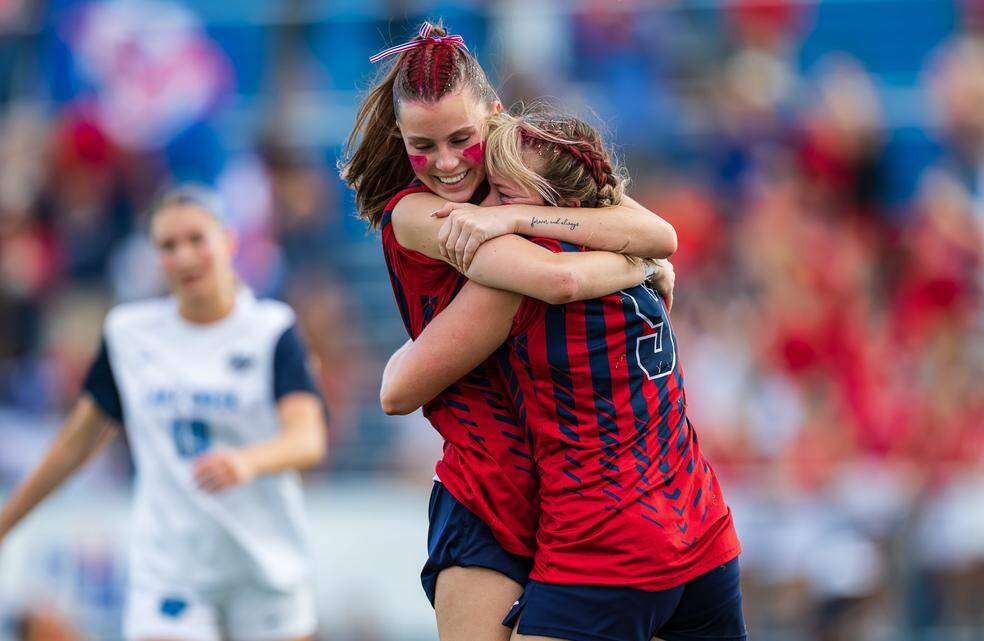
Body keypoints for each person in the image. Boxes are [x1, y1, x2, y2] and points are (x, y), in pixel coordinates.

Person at [340, 21, 679, 641]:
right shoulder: (417, 213)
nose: (443, 163)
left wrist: (525, 216)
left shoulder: (529, 163)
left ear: (494, 117)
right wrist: (637, 265)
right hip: (484, 493)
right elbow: (552, 279)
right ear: (398, 138)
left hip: (570, 494)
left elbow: (661, 232)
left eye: (461, 138)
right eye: (422, 145)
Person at [382, 109, 745, 641]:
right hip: (703, 529)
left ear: (561, 208)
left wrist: (511, 225)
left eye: (505, 196)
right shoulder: (633, 257)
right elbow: (655, 239)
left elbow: (397, 389)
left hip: (604, 543)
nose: (487, 210)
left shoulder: (526, 277)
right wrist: (644, 264)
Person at [0, 186, 327, 641]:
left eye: (196, 239)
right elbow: (74, 446)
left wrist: (247, 461)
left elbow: (307, 439)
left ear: (228, 243)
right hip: (172, 568)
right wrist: (6, 522)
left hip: (264, 561)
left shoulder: (271, 330)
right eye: (168, 246)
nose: (185, 256)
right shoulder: (129, 336)